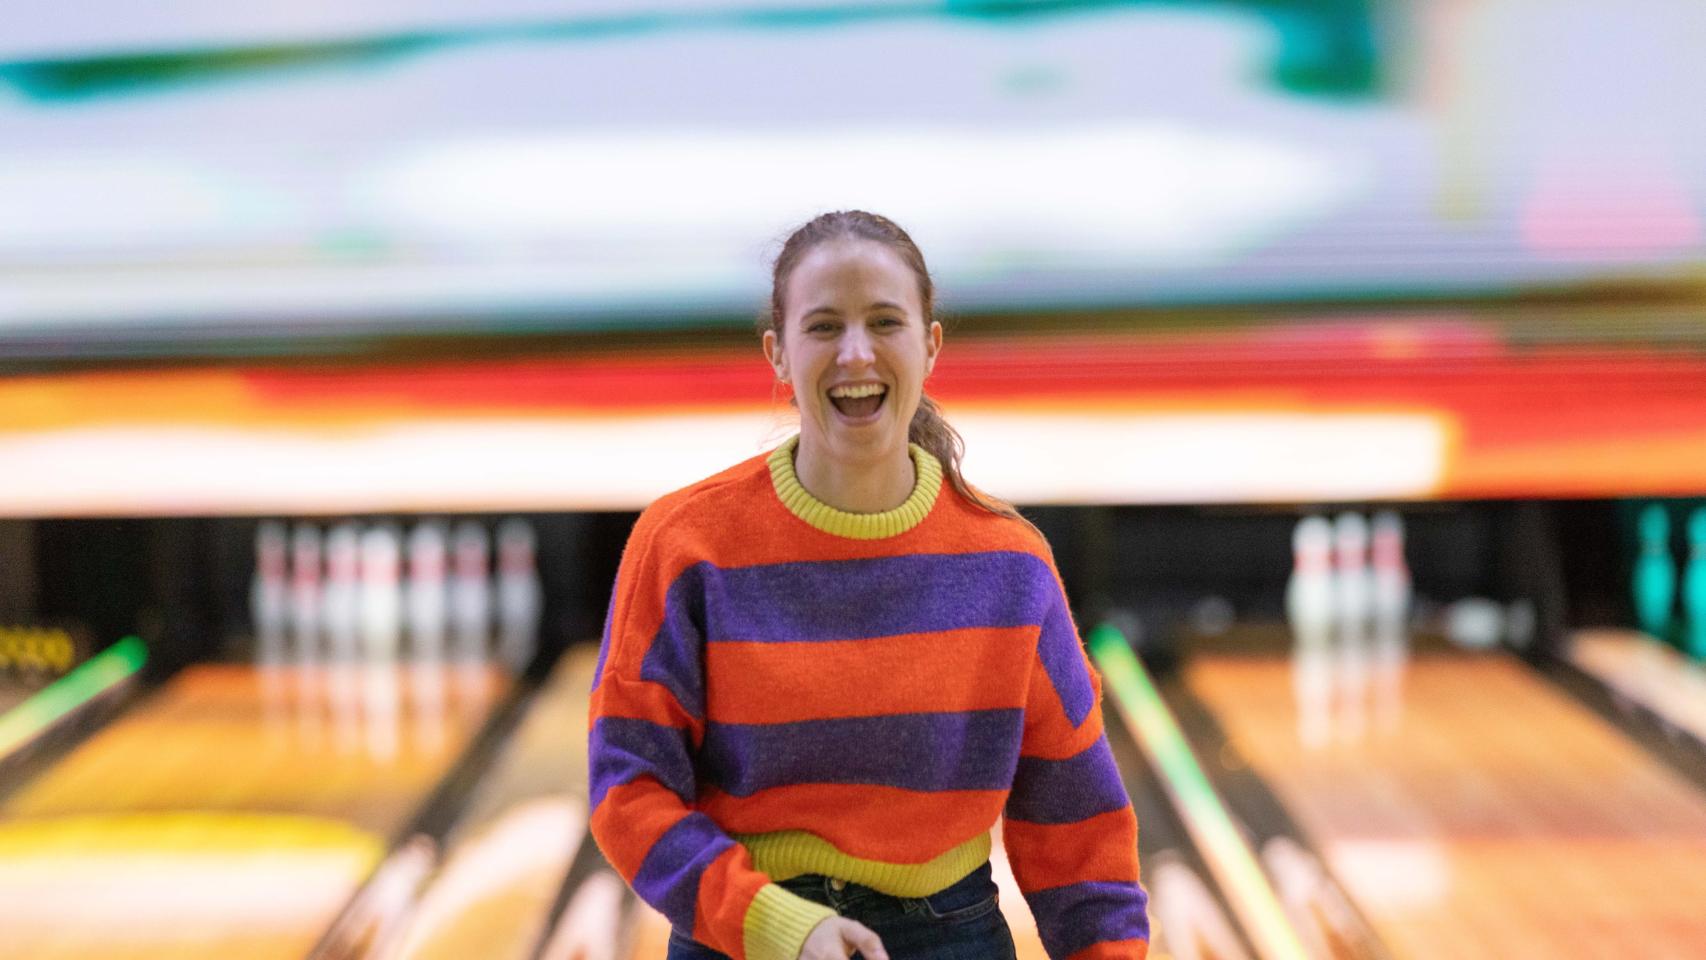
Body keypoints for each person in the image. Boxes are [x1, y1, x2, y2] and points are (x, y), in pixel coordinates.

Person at [587, 210, 1149, 960]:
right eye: (823, 328)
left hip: (954, 938)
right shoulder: (684, 545)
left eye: (886, 322)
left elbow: (1079, 825)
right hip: (742, 937)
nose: (856, 353)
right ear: (778, 355)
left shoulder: (1009, 566)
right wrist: (774, 924)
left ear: (930, 345)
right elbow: (627, 787)